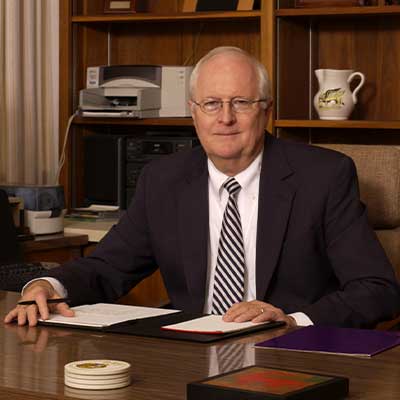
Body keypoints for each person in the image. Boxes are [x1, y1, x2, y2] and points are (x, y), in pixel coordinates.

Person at [4, 46, 400, 328]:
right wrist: (47, 284)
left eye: (241, 102)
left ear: (266, 110)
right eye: (211, 103)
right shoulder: (164, 179)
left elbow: (377, 289)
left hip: (287, 349)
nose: (225, 118)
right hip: (191, 349)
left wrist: (291, 319)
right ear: (193, 112)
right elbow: (108, 267)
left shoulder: (324, 176)